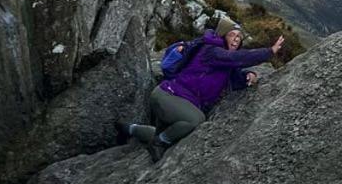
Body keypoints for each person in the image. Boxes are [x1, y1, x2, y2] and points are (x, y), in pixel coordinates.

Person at [118, 19, 283, 162]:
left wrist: (250, 75)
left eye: (239, 37)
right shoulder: (211, 50)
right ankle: (158, 143)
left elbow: (235, 75)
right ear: (222, 35)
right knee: (196, 120)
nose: (236, 39)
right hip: (169, 96)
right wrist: (268, 52)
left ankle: (129, 129)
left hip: (178, 100)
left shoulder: (224, 60)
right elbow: (235, 58)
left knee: (172, 133)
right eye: (232, 35)